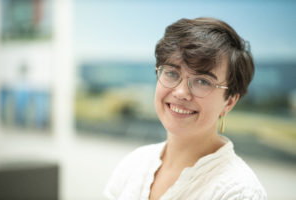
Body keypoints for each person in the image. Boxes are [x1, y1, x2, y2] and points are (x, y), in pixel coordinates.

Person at [104, 17, 267, 200]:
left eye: (203, 81)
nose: (181, 92)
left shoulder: (239, 192)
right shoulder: (134, 164)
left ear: (229, 101)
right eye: (172, 73)